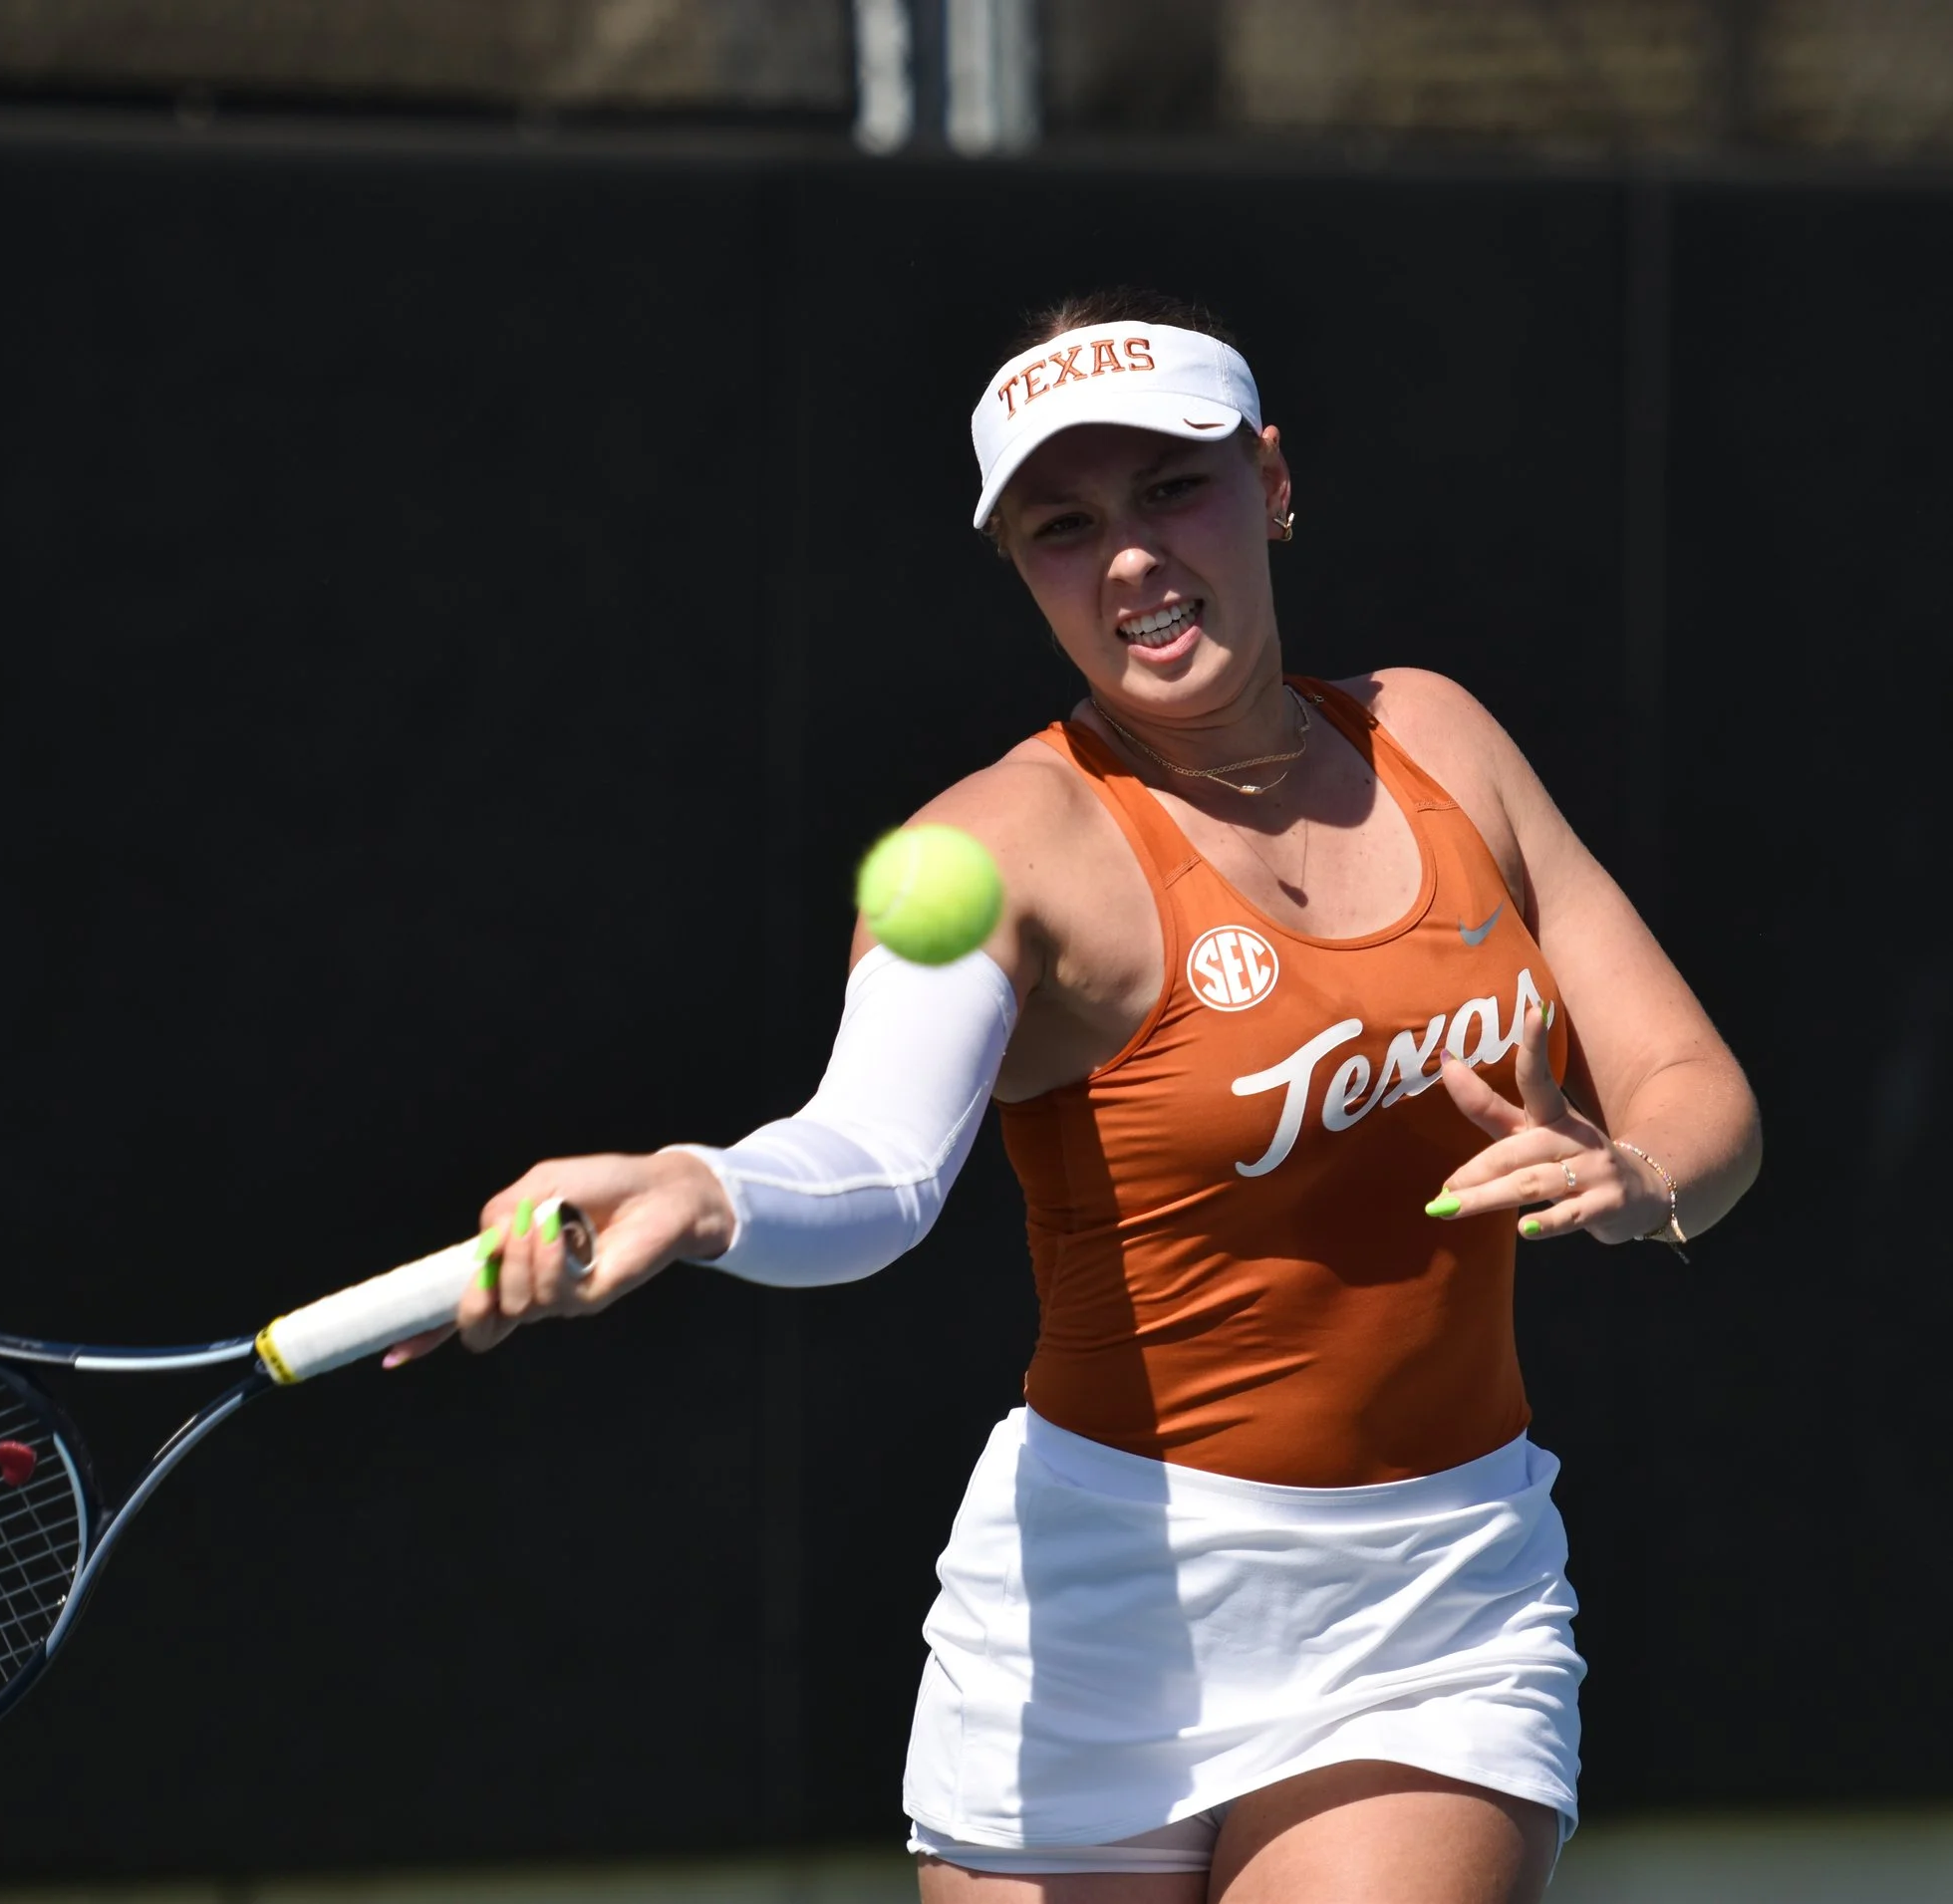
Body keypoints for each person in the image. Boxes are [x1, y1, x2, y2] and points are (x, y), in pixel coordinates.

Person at [388, 288, 1761, 1902]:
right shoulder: (977, 848)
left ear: (1273, 480)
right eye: (1063, 523)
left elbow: (1690, 1087)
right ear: (1018, 566)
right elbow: (876, 1162)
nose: (1127, 555)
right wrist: (705, 1186)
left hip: (1434, 1597)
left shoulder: (1440, 734)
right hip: (1093, 1616)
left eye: (1173, 488)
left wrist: (1642, 1175)